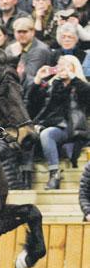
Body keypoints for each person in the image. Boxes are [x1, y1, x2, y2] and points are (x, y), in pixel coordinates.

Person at [27, 55, 90, 189]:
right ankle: (23, 178)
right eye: (60, 65)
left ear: (74, 68)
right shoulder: (52, 86)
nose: (62, 68)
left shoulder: (80, 86)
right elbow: (32, 101)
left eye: (66, 65)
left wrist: (73, 78)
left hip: (70, 128)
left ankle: (54, 174)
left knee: (47, 134)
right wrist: (38, 79)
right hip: (49, 123)